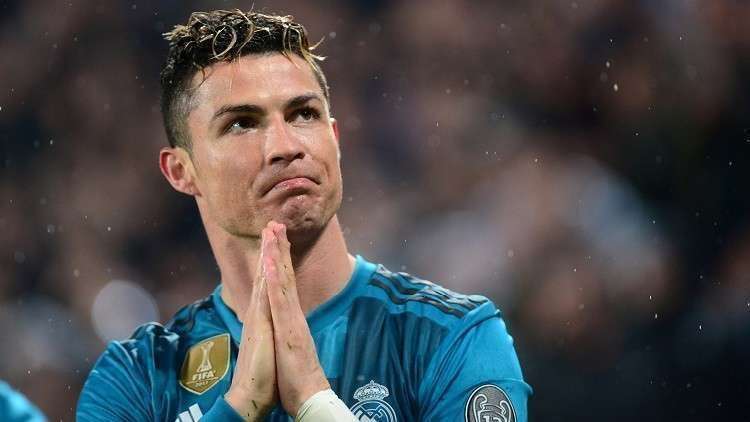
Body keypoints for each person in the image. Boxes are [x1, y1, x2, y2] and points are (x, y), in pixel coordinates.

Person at [77, 9, 531, 422]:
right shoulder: (137, 377)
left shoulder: (452, 337)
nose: (285, 146)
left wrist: (315, 402)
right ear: (182, 171)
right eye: (241, 123)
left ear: (335, 139)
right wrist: (240, 406)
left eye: (303, 114)